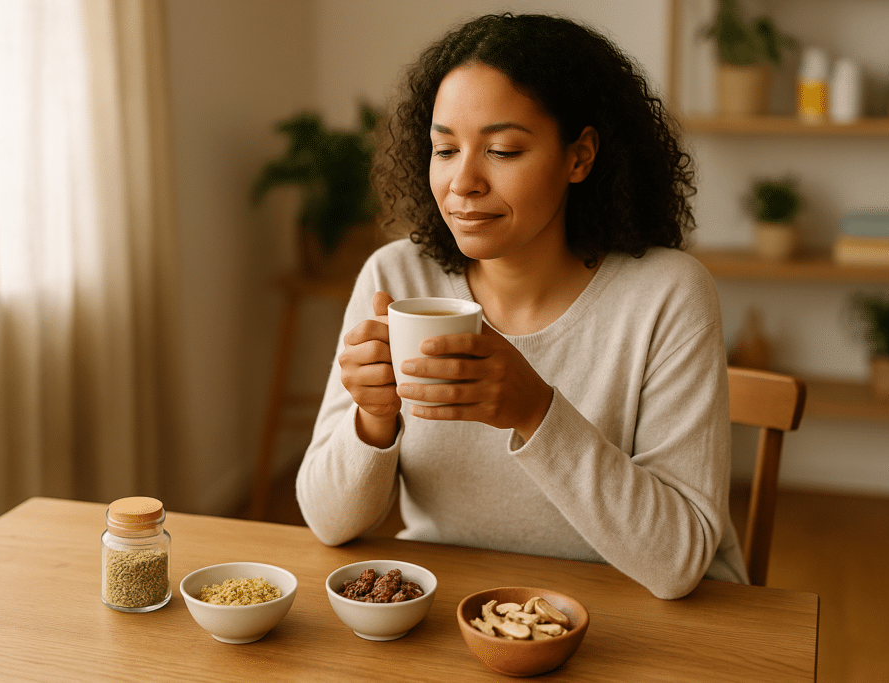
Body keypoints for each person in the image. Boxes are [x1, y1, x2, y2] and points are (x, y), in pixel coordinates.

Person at [295, 12, 747, 599]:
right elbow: (329, 523)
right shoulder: (397, 277)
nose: (463, 183)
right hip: (458, 608)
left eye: (503, 150)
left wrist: (535, 412)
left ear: (579, 157)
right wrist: (373, 422)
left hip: (642, 620)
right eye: (445, 149)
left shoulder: (667, 294)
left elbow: (678, 561)